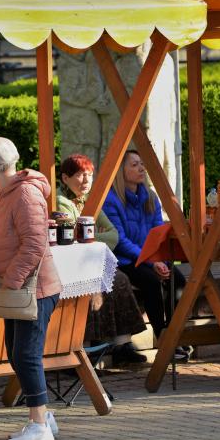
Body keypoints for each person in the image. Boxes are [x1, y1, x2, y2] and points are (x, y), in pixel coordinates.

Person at [0, 137, 61, 440]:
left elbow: (35, 244)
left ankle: (40, 426)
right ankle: (42, 417)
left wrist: (9, 280)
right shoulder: (11, 193)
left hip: (32, 290)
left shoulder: (23, 193)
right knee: (17, 353)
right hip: (22, 288)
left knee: (26, 355)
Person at [56, 154, 147, 364]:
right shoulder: (61, 203)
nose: (86, 180)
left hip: (90, 262)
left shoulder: (90, 201)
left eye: (89, 174)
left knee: (120, 279)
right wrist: (92, 236)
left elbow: (113, 235)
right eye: (79, 175)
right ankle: (86, 351)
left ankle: (123, 344)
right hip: (70, 267)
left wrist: (88, 235)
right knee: (92, 288)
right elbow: (73, 240)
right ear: (65, 178)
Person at [102, 150, 190, 361]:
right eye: (134, 164)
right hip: (125, 260)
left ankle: (174, 335)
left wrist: (161, 261)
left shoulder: (150, 197)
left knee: (178, 280)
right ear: (121, 170)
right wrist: (152, 263)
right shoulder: (111, 200)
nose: (141, 168)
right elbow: (120, 241)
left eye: (142, 164)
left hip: (152, 257)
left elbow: (159, 232)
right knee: (152, 282)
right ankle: (164, 342)